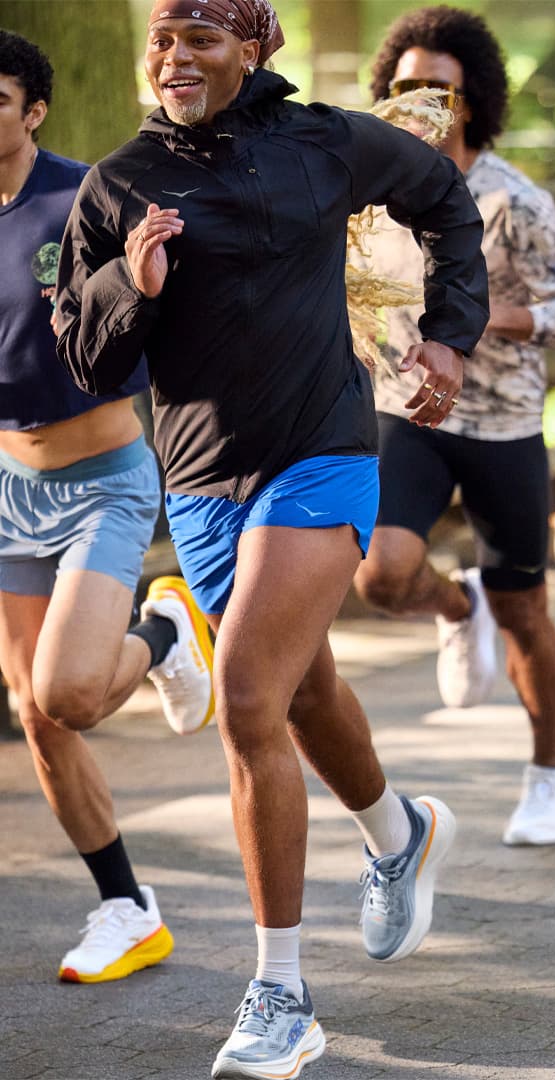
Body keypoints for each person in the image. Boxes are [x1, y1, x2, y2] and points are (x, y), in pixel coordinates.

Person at [54, 2, 488, 1077]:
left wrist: (447, 337)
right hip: (198, 482)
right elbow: (86, 359)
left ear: (253, 48)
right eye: (163, 38)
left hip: (321, 451)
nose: (175, 56)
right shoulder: (117, 186)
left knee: (246, 693)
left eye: (200, 37)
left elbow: (444, 201)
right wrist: (129, 287)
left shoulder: (329, 142)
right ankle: (400, 834)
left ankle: (280, 991)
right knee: (299, 692)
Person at [354, 5, 555, 847]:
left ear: (472, 101)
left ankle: (548, 770)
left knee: (526, 607)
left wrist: (491, 318)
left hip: (501, 422)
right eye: (405, 87)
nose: (421, 102)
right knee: (382, 576)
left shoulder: (512, 199)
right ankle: (454, 608)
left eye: (440, 90)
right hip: (406, 413)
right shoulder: (370, 199)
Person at [0, 30, 213, 986]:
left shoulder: (82, 195)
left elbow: (158, 309)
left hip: (103, 479)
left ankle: (166, 635)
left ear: (32, 110)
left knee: (71, 696)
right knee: (36, 716)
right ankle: (126, 907)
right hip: (7, 488)